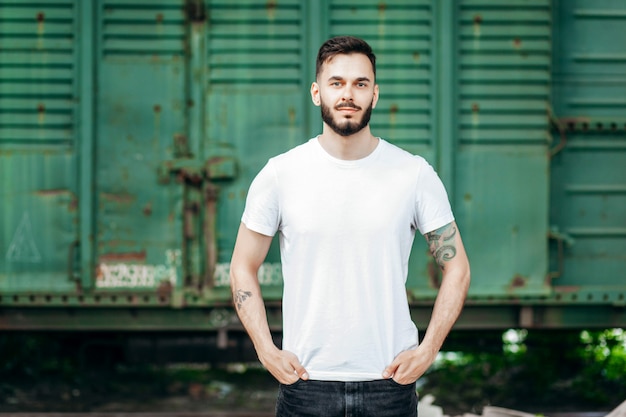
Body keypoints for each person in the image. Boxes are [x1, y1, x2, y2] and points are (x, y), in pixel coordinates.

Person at [230, 36, 470, 417]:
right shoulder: (280, 174)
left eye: (360, 84)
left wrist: (428, 350)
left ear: (374, 95)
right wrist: (266, 349)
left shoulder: (413, 174)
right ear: (316, 92)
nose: (348, 94)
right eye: (336, 82)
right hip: (306, 385)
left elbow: (457, 267)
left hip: (389, 385)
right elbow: (243, 266)